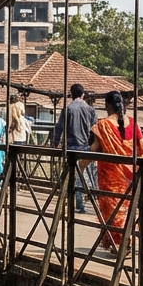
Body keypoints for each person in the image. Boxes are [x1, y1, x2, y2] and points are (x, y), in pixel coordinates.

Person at [89, 91, 143, 253]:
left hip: (110, 177)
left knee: (113, 211)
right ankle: (123, 242)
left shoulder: (103, 125)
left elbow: (94, 149)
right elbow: (142, 148)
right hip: (130, 175)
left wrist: (78, 165)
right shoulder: (133, 123)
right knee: (127, 209)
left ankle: (121, 243)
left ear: (108, 105)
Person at [51, 83, 97, 214]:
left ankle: (74, 203)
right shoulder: (90, 109)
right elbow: (95, 130)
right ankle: (88, 201)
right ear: (83, 94)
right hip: (86, 147)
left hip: (71, 147)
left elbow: (59, 127)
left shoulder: (68, 109)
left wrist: (55, 143)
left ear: (71, 94)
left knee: (71, 176)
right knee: (85, 176)